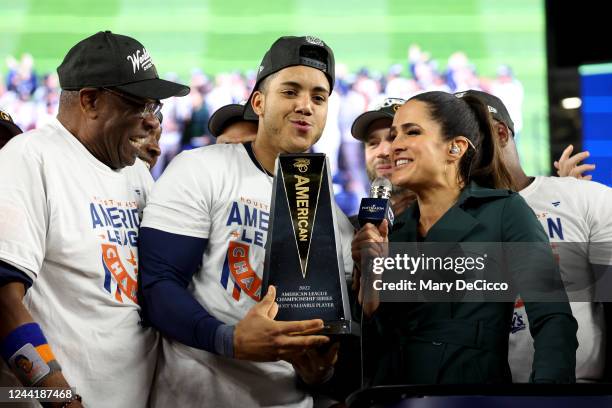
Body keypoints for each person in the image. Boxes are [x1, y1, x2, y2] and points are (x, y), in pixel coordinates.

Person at [139, 35, 355, 408]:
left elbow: (329, 346)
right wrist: (230, 339)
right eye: (290, 91)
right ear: (259, 102)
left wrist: (318, 371)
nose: (305, 106)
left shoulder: (333, 219)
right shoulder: (202, 168)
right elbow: (157, 284)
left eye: (318, 98)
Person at [0, 30, 189, 408]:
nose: (152, 121)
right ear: (90, 101)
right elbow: (3, 299)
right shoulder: (30, 158)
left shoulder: (135, 173)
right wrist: (62, 400)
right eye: (140, 104)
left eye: (156, 107)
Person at [351, 90, 578, 385]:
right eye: (394, 135)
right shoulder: (392, 232)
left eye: (412, 132)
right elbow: (378, 343)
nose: (394, 146)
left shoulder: (504, 211)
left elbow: (553, 321)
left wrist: (550, 402)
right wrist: (369, 282)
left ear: (455, 148)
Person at [458, 90, 612, 383]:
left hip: (578, 390)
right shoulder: (440, 219)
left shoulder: (583, 198)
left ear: (500, 132)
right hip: (479, 393)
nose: (455, 147)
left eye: (464, 134)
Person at [350, 97, 416, 221]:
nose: (382, 152)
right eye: (373, 143)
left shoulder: (443, 223)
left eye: (393, 138)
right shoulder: (350, 231)